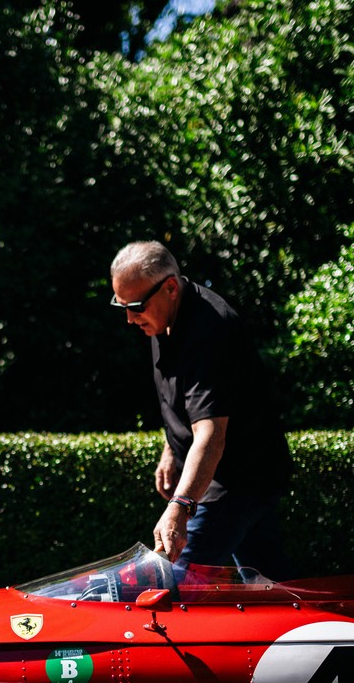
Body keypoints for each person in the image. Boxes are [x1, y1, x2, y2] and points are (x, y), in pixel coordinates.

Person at [109, 240, 292, 578]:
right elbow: (185, 403)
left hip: (234, 479)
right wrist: (170, 450)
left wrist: (179, 506)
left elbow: (210, 434)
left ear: (170, 288)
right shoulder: (162, 316)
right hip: (232, 476)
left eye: (135, 306)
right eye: (120, 305)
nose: (130, 319)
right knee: (270, 586)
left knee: (169, 583)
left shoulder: (211, 331)